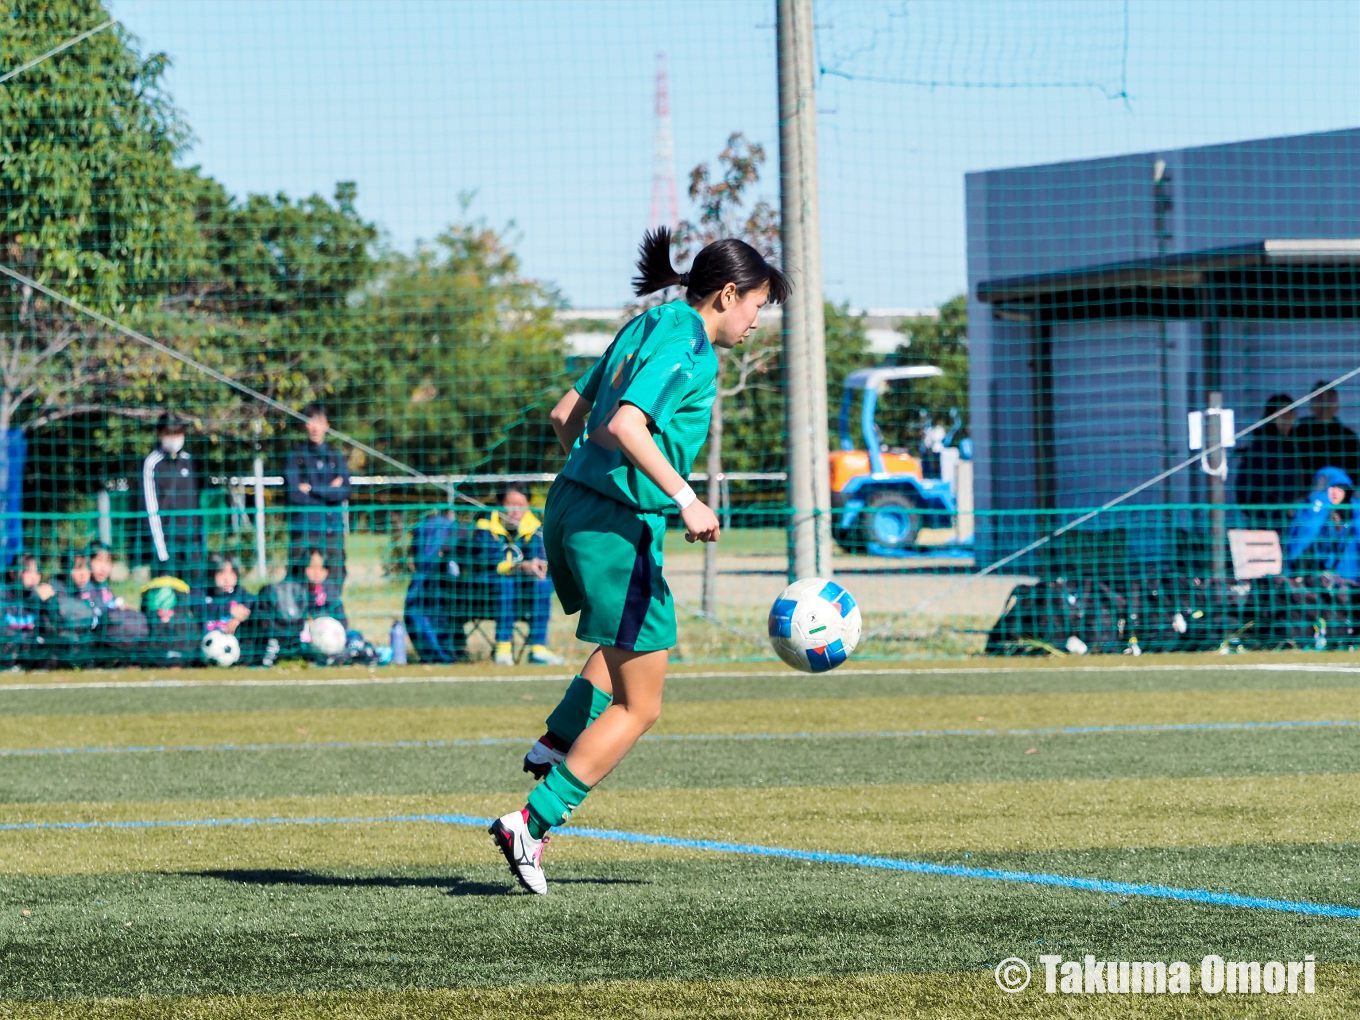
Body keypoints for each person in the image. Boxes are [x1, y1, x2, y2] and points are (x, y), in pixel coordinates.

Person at [488, 227, 789, 894]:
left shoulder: (647, 322)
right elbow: (626, 425)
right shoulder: (690, 344)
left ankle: (559, 738)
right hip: (613, 524)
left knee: (627, 645)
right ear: (730, 294)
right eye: (758, 307)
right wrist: (685, 498)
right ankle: (532, 824)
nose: (755, 322)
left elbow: (566, 415)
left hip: (570, 506)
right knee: (641, 705)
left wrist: (594, 478)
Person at [469, 486, 563, 666]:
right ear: (499, 504)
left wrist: (540, 565)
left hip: (523, 592)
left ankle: (538, 648)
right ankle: (503, 648)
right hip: (485, 590)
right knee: (506, 583)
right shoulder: (485, 527)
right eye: (510, 504)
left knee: (543, 584)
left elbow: (540, 558)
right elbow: (486, 562)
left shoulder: (535, 529)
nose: (515, 511)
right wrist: (518, 567)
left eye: (520, 505)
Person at [284, 403, 351, 582]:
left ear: (327, 425)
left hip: (332, 530)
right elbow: (295, 495)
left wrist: (312, 489)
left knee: (336, 578)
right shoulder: (295, 456)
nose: (315, 427)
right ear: (304, 424)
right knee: (299, 580)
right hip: (304, 531)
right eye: (311, 421)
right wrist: (329, 490)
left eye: (320, 422)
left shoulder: (336, 456)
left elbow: (345, 491)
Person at [141, 413, 205, 586]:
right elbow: (150, 508)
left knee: (197, 593)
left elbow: (196, 504)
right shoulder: (152, 463)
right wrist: (161, 551)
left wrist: (200, 541)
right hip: (167, 542)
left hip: (192, 543)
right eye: (170, 434)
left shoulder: (189, 461)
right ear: (160, 434)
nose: (174, 439)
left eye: (178, 434)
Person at [403, 508, 463, 664]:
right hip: (450, 588)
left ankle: (438, 653)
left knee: (422, 609)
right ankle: (444, 651)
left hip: (437, 585)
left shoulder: (429, 528)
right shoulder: (457, 528)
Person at [1235, 393, 1300, 529]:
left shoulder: (1294, 445)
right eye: (1282, 413)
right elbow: (1245, 487)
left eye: (1291, 412)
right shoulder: (1264, 448)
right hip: (1268, 523)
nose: (1287, 417)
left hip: (1292, 523)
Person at [1285, 466, 1360, 580]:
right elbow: (1302, 536)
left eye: (1340, 489)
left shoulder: (1353, 513)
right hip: (1321, 576)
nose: (1335, 492)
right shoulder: (1316, 510)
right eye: (1332, 488)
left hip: (1347, 575)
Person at [1294, 384, 1360, 483]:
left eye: (1329, 400)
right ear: (1311, 405)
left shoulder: (1348, 438)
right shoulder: (1297, 435)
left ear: (1337, 406)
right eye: (1320, 400)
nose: (1325, 405)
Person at [202, 555, 255, 636]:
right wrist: (230, 610)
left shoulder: (241, 593)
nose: (226, 578)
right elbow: (201, 608)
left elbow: (253, 604)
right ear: (211, 574)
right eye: (221, 573)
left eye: (231, 573)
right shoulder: (203, 593)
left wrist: (238, 620)